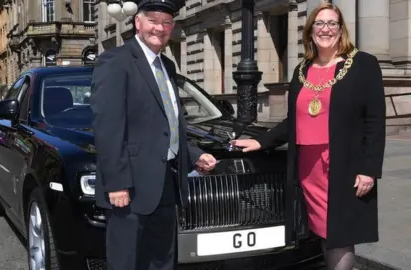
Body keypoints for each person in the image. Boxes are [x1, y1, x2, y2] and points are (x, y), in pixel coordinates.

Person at [230, 3, 385, 269]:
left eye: (332, 24)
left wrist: (369, 169)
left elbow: (375, 120)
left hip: (343, 166)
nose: (326, 29)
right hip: (308, 169)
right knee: (323, 231)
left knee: (340, 235)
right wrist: (262, 140)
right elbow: (295, 119)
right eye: (319, 24)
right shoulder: (302, 70)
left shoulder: (362, 64)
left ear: (341, 29)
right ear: (311, 30)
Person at [89, 0, 217, 269]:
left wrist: (194, 154)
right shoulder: (115, 61)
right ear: (138, 22)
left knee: (162, 261)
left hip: (166, 184)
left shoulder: (167, 66)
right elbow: (108, 126)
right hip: (129, 188)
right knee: (127, 262)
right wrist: (116, 183)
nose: (160, 28)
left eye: (166, 22)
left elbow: (168, 122)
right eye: (153, 20)